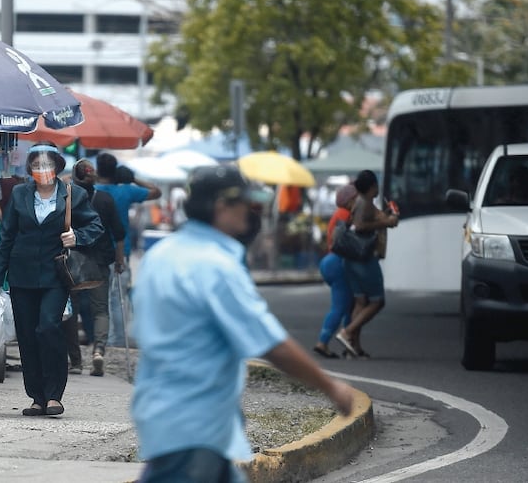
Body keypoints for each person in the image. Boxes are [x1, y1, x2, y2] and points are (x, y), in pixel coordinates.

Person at [131, 165, 355, 482]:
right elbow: (272, 343)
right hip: (195, 428)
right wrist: (332, 388)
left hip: (170, 419)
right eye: (245, 204)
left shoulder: (160, 255)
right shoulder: (215, 265)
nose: (251, 212)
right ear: (222, 206)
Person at [0, 142, 103, 417]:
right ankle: (37, 398)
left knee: (48, 328)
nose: (42, 170)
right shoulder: (19, 194)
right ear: (29, 169)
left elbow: (96, 226)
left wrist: (78, 237)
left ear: (57, 167)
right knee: (27, 336)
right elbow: (6, 237)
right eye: (37, 165)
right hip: (21, 274)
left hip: (55, 275)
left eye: (47, 164)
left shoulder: (72, 196)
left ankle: (54, 395)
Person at [61, 159, 125, 377]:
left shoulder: (68, 197)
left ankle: (76, 361)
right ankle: (98, 350)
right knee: (100, 309)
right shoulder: (105, 199)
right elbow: (119, 233)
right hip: (100, 260)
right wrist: (119, 260)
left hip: (72, 261)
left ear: (75, 177)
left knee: (71, 310)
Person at [94, 153, 160, 347]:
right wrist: (133, 178)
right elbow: (156, 192)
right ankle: (118, 341)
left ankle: (101, 341)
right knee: (118, 299)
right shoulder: (126, 191)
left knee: (99, 300)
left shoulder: (92, 190)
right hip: (121, 252)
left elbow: (64, 182)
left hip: (96, 253)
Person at [335, 170, 398, 359]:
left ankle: (353, 347)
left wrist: (387, 218)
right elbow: (361, 226)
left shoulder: (361, 202)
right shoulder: (365, 203)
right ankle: (347, 332)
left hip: (351, 260)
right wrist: (386, 223)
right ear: (372, 187)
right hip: (364, 259)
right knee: (377, 301)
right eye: (376, 184)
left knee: (361, 301)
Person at [312, 183, 358, 358]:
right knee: (341, 307)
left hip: (330, 260)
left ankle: (348, 345)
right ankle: (322, 342)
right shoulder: (347, 214)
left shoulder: (338, 213)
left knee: (347, 305)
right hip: (339, 263)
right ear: (350, 200)